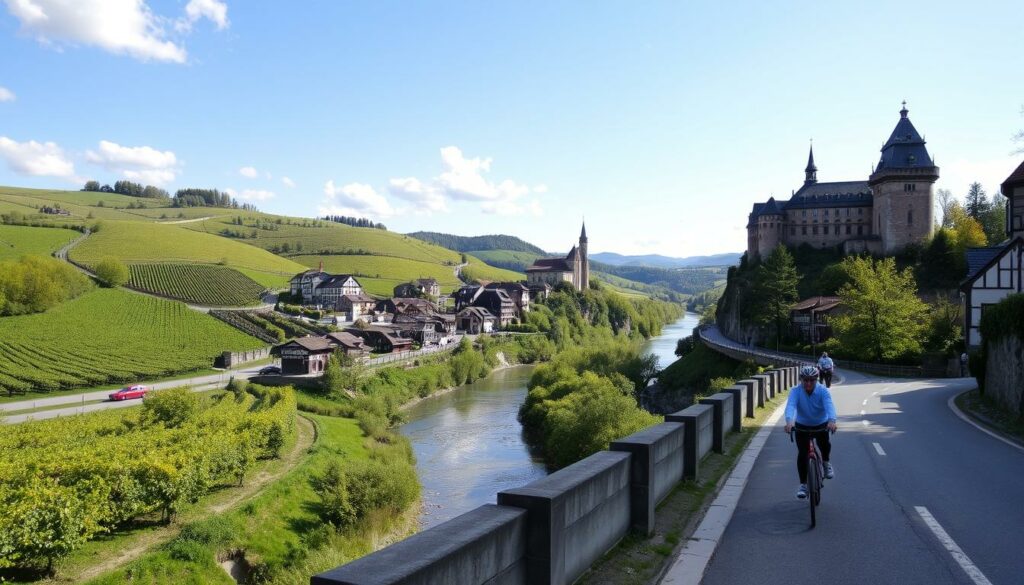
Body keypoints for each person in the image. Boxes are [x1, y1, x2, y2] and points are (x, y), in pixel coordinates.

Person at [784, 365, 838, 499]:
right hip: (802, 425)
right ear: (801, 379)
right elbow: (791, 406)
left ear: (816, 380)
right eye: (805, 380)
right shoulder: (796, 391)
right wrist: (789, 421)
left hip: (821, 424)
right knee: (802, 454)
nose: (808, 383)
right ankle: (803, 484)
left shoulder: (823, 390)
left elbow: (829, 405)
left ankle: (825, 463)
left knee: (825, 444)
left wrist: (832, 421)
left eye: (812, 380)